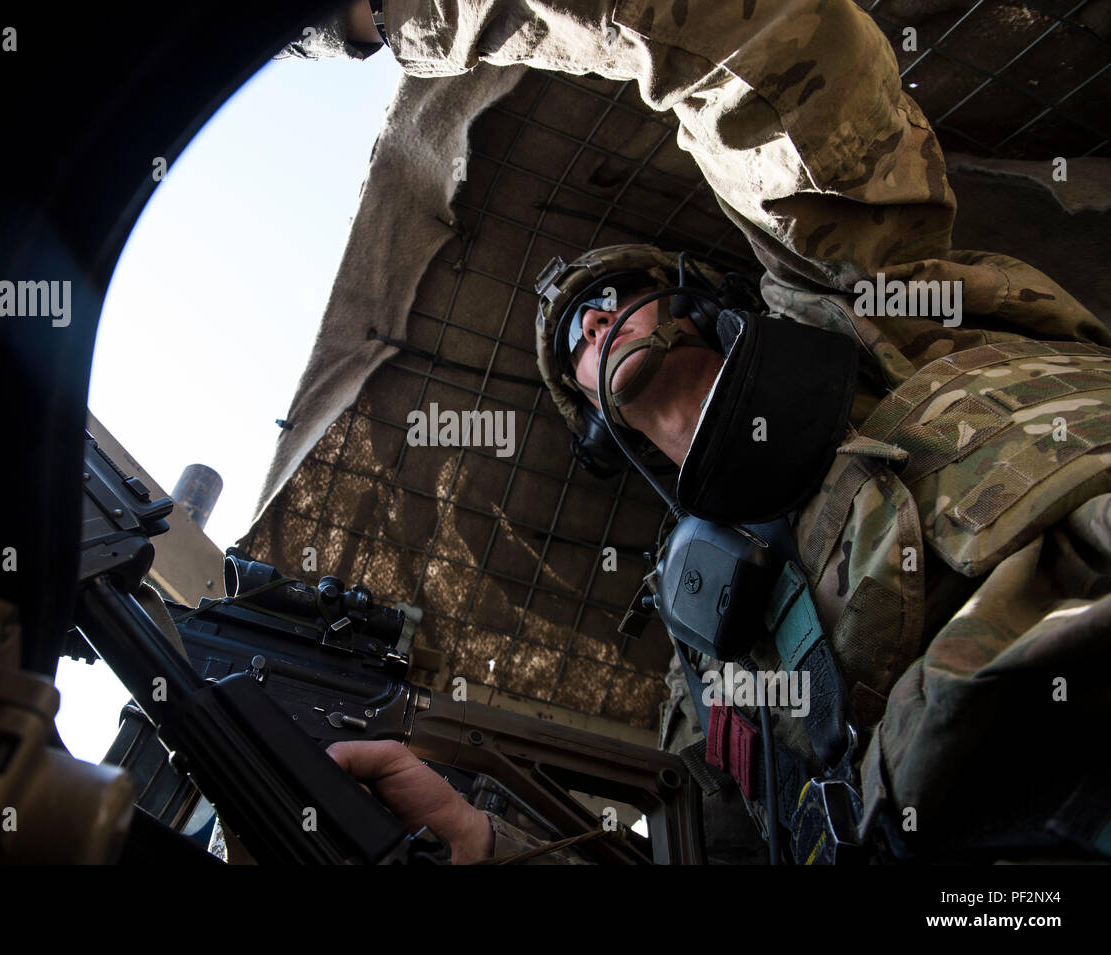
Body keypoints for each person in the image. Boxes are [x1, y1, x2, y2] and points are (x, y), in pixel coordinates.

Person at [285, 0, 1111, 863]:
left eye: (610, 299)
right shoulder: (703, 655)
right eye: (573, 340)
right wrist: (481, 846)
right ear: (596, 421)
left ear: (695, 303)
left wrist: (379, 13)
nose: (593, 324)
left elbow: (770, 46)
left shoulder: (870, 317)